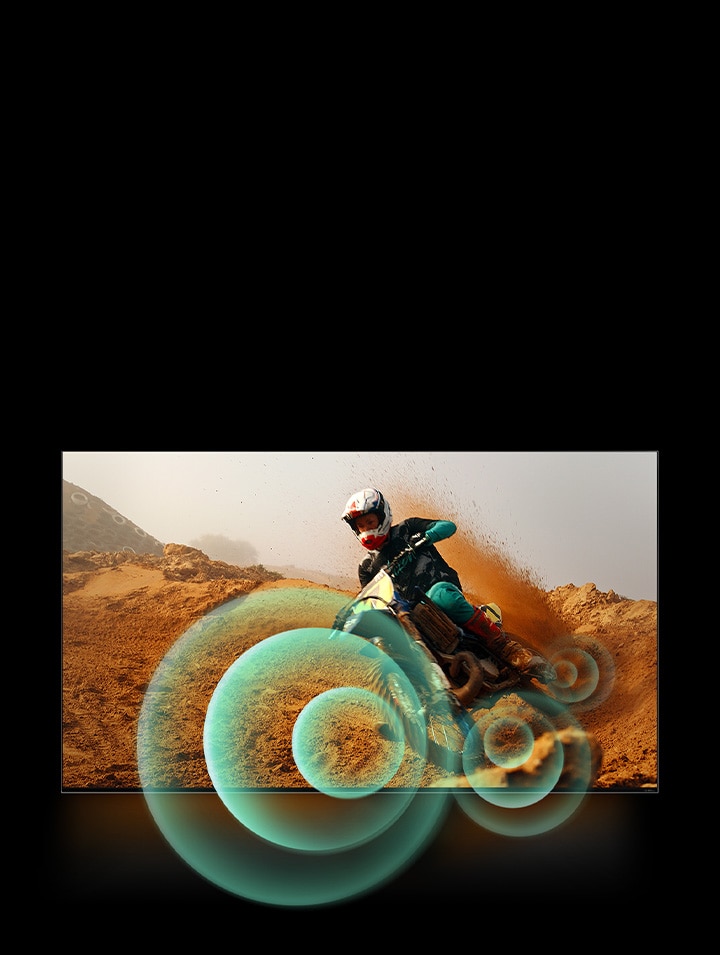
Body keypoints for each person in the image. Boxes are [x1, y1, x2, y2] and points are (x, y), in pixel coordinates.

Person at [341, 487, 535, 671]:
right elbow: (372, 599)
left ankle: (505, 647)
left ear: (382, 516)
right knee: (384, 641)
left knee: (441, 596)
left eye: (370, 522)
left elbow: (448, 526)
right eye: (361, 525)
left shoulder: (408, 529)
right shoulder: (366, 567)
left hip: (438, 589)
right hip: (408, 613)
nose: (366, 529)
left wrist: (427, 537)